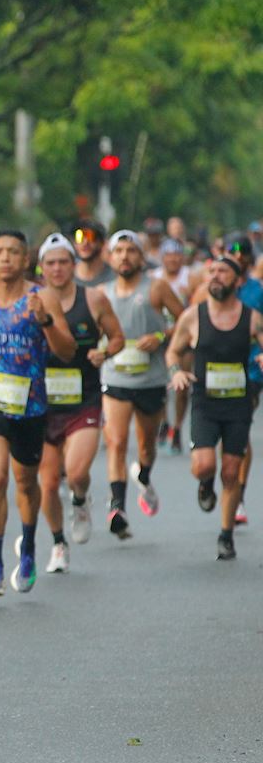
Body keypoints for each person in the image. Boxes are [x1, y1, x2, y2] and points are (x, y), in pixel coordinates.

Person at [0, 230, 75, 598]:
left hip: (31, 404)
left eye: (14, 252)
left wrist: (45, 322)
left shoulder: (43, 297)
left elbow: (68, 351)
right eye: (0, 252)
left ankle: (27, 548)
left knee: (26, 482)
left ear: (26, 259)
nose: (6, 258)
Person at [35, 235, 124, 572]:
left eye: (63, 261)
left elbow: (116, 337)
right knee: (46, 482)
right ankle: (59, 544)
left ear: (74, 265)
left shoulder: (94, 298)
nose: (57, 268)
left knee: (76, 472)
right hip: (42, 402)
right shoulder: (33, 301)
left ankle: (80, 499)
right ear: (41, 267)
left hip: (83, 398)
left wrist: (106, 352)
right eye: (51, 262)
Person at [166, 254, 263, 560]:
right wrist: (177, 372)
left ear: (237, 280)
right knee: (204, 464)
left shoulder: (251, 317)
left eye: (223, 272)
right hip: (204, 403)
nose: (216, 276)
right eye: (212, 272)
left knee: (232, 471)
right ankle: (206, 484)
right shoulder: (193, 316)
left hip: (237, 402)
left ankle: (226, 535)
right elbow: (173, 352)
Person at [99, 230, 185, 539]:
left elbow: (185, 321)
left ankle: (144, 476)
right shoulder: (102, 293)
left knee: (146, 446)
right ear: (109, 257)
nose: (124, 256)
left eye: (131, 250)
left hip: (151, 380)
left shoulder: (157, 287)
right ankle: (117, 507)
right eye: (118, 250)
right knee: (116, 442)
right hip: (115, 377)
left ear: (142, 256)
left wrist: (161, 337)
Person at [154, 238, 197, 453]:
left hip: (183, 338)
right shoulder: (154, 278)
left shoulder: (190, 277)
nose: (173, 259)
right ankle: (164, 422)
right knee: (159, 384)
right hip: (160, 337)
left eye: (177, 254)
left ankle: (178, 427)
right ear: (162, 257)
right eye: (168, 255)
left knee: (182, 387)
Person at [72, 218, 115, 288]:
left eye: (90, 236)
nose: (85, 242)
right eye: (79, 237)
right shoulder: (67, 276)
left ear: (102, 243)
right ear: (74, 243)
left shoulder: (114, 277)